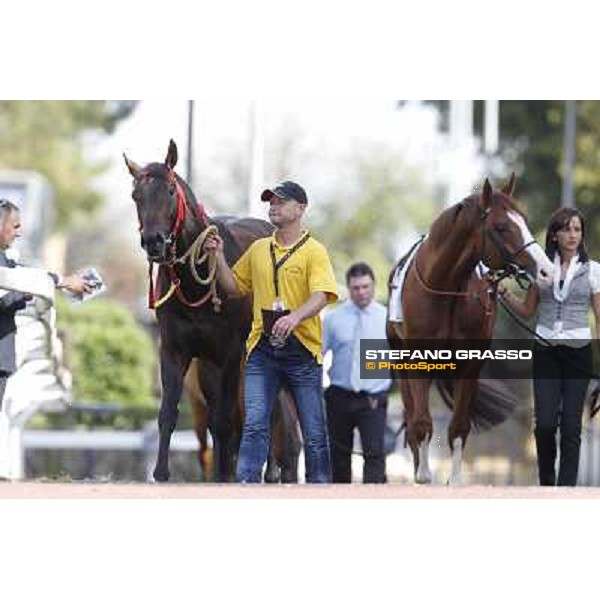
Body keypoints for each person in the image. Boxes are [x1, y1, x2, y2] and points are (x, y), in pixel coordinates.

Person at [203, 181, 338, 483]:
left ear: (301, 209)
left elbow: (322, 295)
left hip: (302, 349)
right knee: (254, 426)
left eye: (281, 201)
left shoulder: (315, 252)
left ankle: (320, 489)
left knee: (314, 431)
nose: (273, 206)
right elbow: (233, 287)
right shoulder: (258, 249)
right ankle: (247, 486)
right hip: (262, 349)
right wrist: (219, 257)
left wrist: (295, 317)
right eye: (271, 201)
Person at [499, 207, 600, 486]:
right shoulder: (541, 268)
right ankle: (546, 483)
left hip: (579, 352)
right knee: (544, 424)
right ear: (554, 235)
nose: (572, 235)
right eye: (566, 229)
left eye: (577, 229)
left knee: (570, 426)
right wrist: (504, 293)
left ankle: (566, 490)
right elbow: (528, 310)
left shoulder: (594, 271)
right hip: (545, 350)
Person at [0, 199, 91, 408]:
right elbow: (6, 296)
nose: (18, 233)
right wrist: (22, 295)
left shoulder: (6, 260)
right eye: (15, 227)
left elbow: (32, 275)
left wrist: (66, 281)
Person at [322, 262, 391, 483]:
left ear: (374, 285)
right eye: (356, 288)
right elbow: (318, 357)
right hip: (339, 396)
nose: (361, 292)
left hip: (373, 398)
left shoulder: (389, 318)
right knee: (338, 458)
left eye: (365, 286)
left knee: (375, 455)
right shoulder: (333, 319)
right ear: (349, 288)